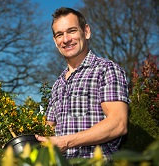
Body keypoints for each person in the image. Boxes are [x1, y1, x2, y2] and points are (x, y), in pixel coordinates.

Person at [35, 7, 130, 159]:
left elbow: (118, 123)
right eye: (59, 34)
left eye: (72, 31)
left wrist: (66, 142)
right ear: (55, 41)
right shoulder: (58, 84)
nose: (66, 39)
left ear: (86, 32)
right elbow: (48, 129)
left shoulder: (106, 70)